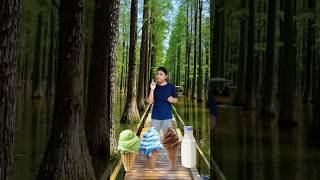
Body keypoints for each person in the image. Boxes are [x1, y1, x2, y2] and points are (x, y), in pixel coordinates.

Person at [147, 67, 178, 134]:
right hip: (155, 116)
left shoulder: (171, 86)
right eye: (157, 74)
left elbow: (176, 99)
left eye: (161, 74)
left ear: (166, 76)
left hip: (167, 116)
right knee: (154, 137)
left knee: (167, 137)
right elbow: (150, 101)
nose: (158, 76)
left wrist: (172, 99)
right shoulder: (153, 86)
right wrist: (152, 89)